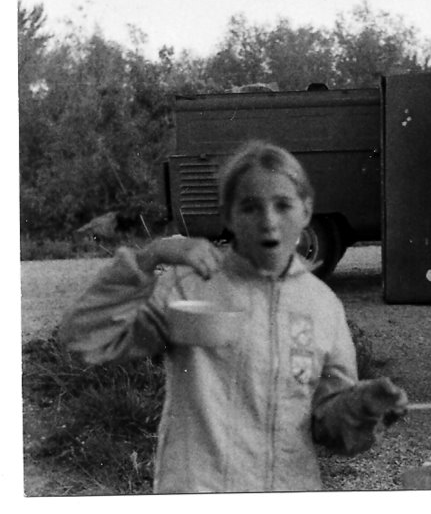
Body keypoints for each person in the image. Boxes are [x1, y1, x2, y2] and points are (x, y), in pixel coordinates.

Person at [59, 141, 408, 493]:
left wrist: (362, 406)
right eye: (250, 207)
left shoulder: (323, 305)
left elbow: (327, 426)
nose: (268, 221)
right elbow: (81, 336)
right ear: (228, 216)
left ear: (306, 211)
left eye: (283, 205)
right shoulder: (190, 284)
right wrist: (149, 257)